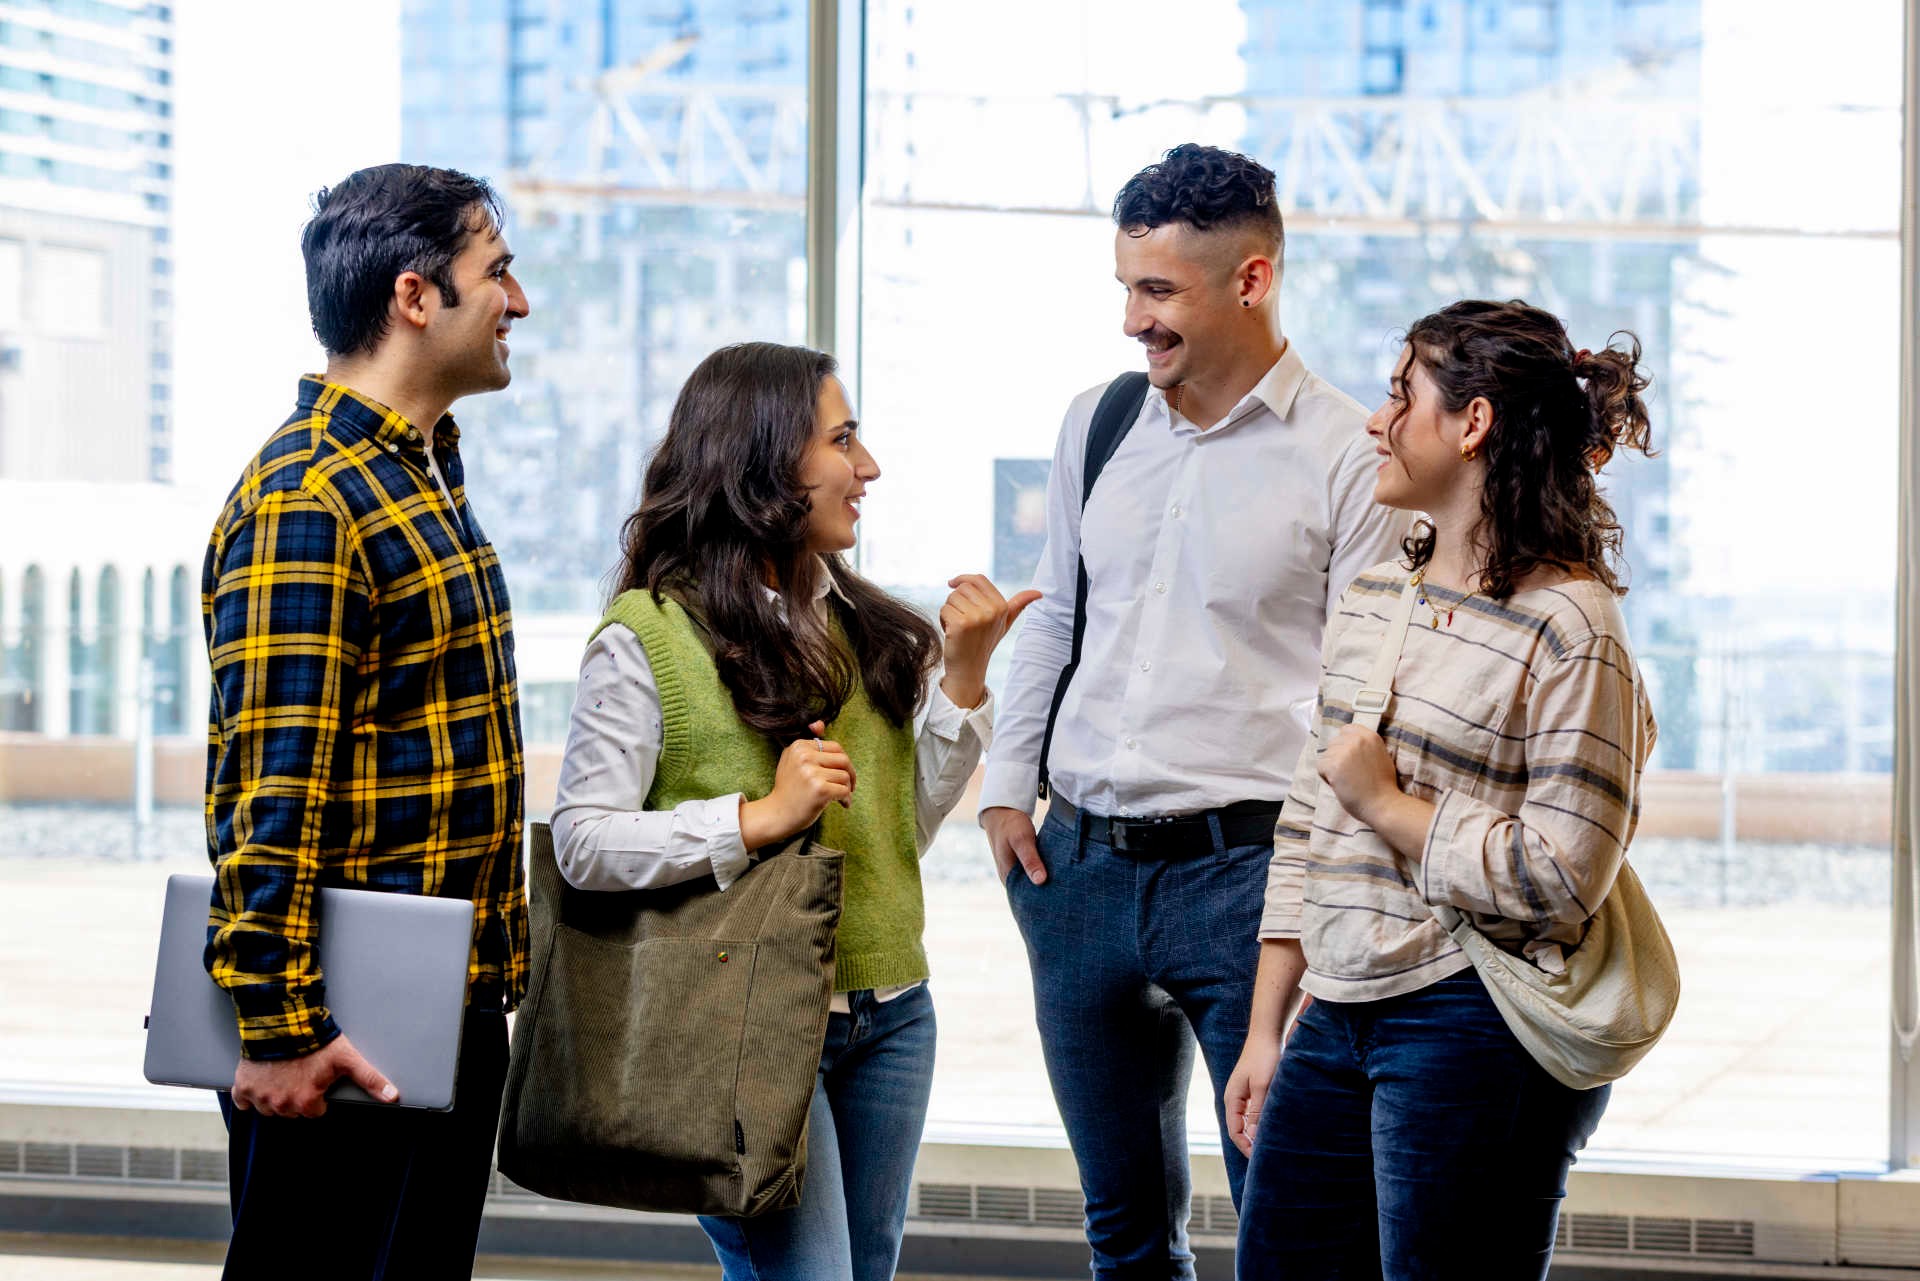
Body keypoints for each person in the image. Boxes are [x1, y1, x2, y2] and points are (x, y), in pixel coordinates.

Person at [976, 142, 1409, 1278]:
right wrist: (1006, 791)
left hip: (1248, 882)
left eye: (1159, 292)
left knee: (1291, 1222)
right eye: (1127, 287)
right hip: (1076, 874)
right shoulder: (1099, 420)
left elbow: (1357, 702)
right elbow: (1055, 616)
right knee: (1122, 1230)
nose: (1133, 321)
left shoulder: (1347, 456)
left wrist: (1310, 892)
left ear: (1252, 280)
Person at [548, 340, 1031, 1281]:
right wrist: (755, 817)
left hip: (892, 1015)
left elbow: (899, 832)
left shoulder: (866, 628)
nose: (868, 467)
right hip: (740, 1020)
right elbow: (582, 841)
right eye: (842, 440)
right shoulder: (648, 636)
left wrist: (966, 681)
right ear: (764, 460)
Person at [1228, 299, 1660, 1279]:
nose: (1376, 423)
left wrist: (1391, 806)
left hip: (1471, 1014)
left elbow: (1563, 878)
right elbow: (1306, 823)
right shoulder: (1378, 594)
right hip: (1335, 1008)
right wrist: (1266, 1028)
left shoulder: (1573, 627)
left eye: (1400, 396)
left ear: (1473, 424)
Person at [200, 163, 531, 1280]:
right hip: (337, 1025)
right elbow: (271, 788)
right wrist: (279, 1027)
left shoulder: (421, 476)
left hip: (436, 1002)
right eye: (498, 271)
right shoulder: (310, 496)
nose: (518, 301)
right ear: (414, 296)